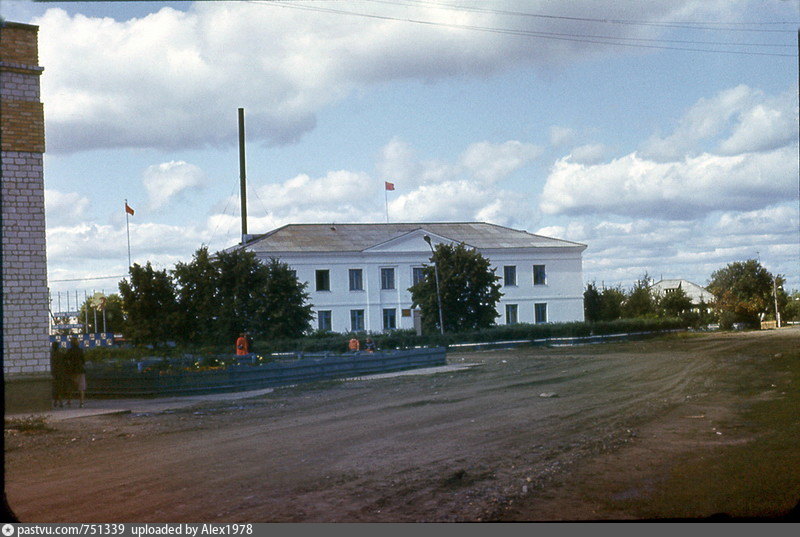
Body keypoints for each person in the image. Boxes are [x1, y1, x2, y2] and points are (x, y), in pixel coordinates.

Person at [64, 337, 86, 408]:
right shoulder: (80, 350)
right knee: (81, 388)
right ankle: (81, 403)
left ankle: (69, 401)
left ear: (71, 343)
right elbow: (83, 361)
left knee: (70, 387)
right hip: (80, 370)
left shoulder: (69, 351)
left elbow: (66, 359)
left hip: (72, 371)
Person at [49, 341, 67, 408]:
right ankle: (60, 402)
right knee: (60, 388)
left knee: (55, 388)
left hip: (53, 373)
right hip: (60, 373)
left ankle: (56, 402)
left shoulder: (51, 355)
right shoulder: (61, 354)